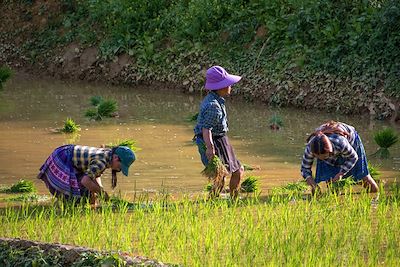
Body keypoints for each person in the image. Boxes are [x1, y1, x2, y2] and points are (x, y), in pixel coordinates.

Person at [194, 65, 244, 198]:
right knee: (225, 175)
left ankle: (228, 199)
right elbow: (206, 129)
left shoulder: (214, 99)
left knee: (231, 172)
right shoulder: (214, 107)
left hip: (219, 138)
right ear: (220, 87)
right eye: (228, 84)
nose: (230, 87)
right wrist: (210, 148)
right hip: (213, 140)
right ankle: (231, 200)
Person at [301, 121, 379, 194]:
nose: (322, 159)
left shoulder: (341, 143)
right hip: (328, 149)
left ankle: (375, 195)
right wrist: (313, 185)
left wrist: (341, 173)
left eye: (325, 157)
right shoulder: (311, 148)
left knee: (362, 176)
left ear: (329, 151)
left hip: (351, 140)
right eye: (318, 157)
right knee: (331, 181)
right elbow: (305, 169)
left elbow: (353, 157)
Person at [38, 145, 136, 202]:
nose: (119, 169)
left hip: (69, 155)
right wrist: (102, 194)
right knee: (76, 198)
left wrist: (99, 191)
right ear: (115, 158)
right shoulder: (101, 161)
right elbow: (85, 181)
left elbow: (94, 175)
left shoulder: (107, 155)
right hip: (62, 158)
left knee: (89, 194)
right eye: (120, 166)